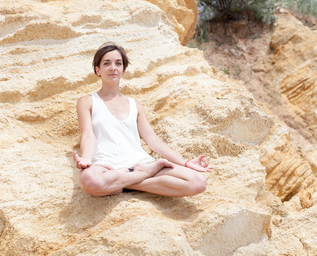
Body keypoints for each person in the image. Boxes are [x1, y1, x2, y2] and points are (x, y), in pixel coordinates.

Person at [73, 42, 213, 197]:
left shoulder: (135, 105)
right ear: (98, 70)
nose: (113, 67)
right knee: (88, 181)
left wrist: (185, 162)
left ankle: (123, 184)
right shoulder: (87, 101)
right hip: (108, 167)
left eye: (118, 63)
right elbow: (88, 134)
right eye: (107, 63)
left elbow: (153, 140)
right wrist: (86, 158)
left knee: (198, 182)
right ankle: (141, 177)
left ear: (123, 70)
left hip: (140, 162)